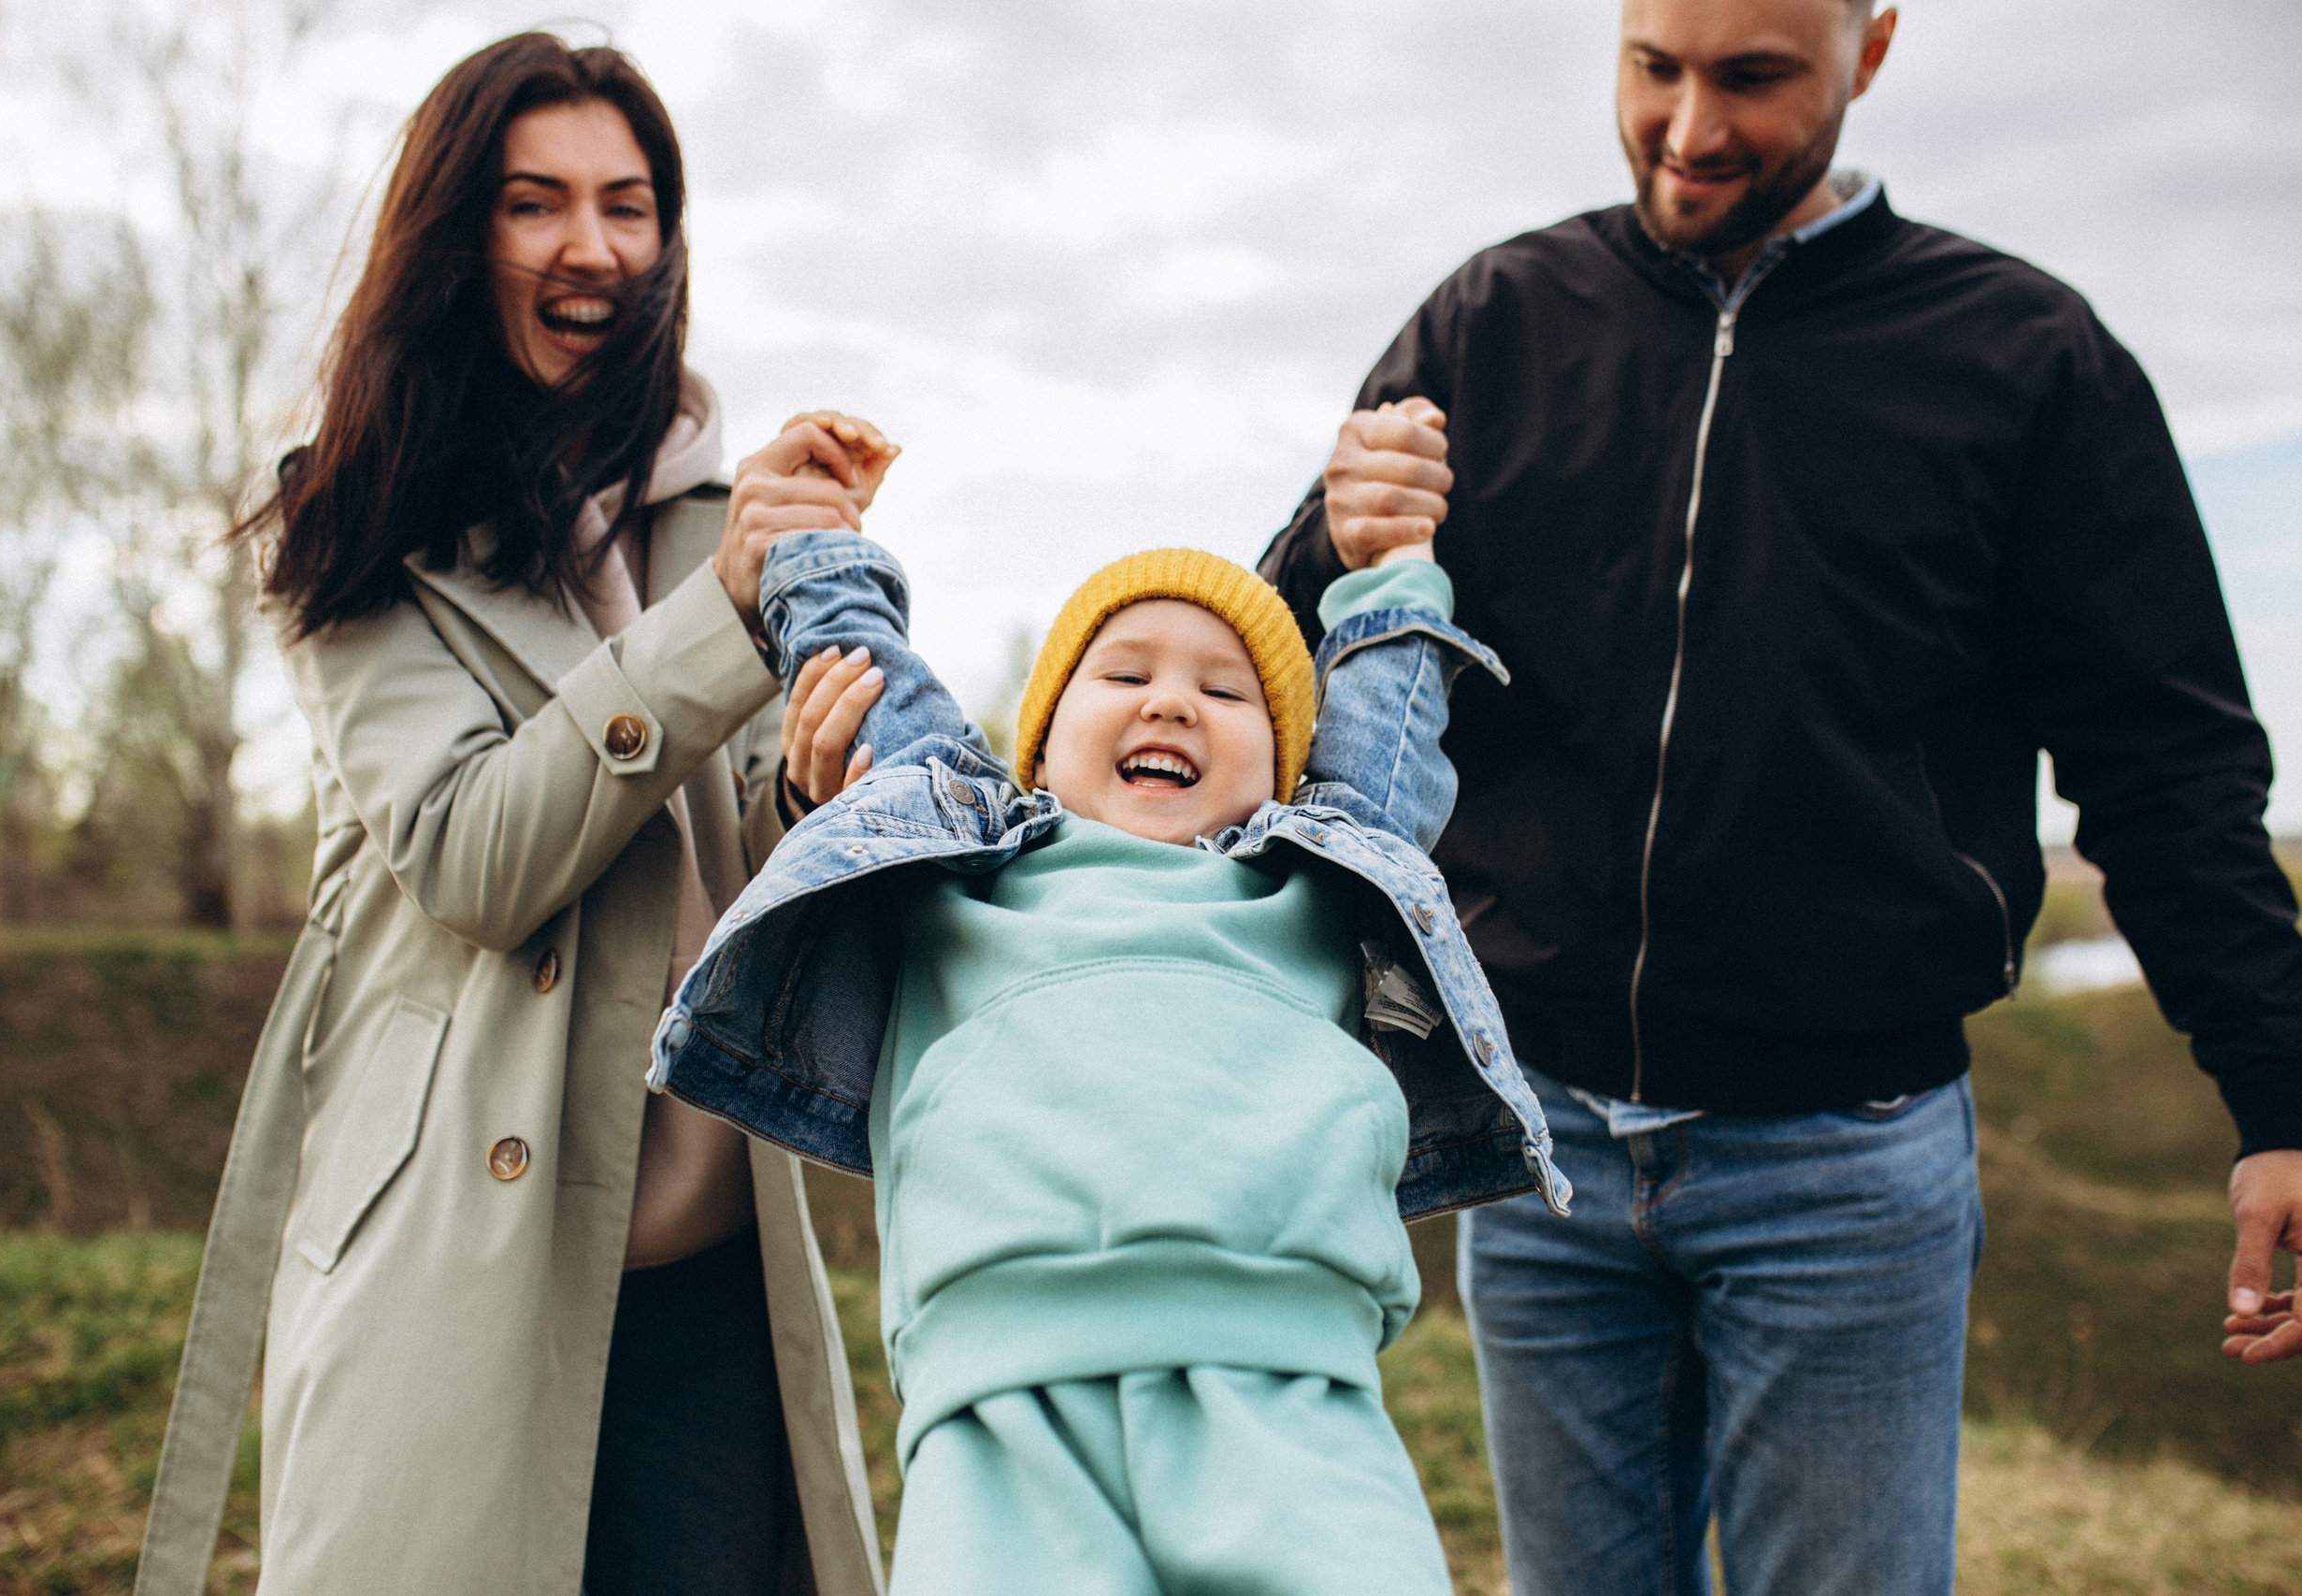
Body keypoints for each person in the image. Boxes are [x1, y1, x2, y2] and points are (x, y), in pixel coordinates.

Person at [1258, 1, 2302, 1592]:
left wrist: (2287, 1110)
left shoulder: (2026, 359)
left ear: (1874, 46)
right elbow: (1275, 679)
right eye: (1655, 69)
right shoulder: (1494, 320)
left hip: (1845, 1164)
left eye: (1755, 76)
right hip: (1542, 1145)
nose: (1692, 128)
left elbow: (2165, 767)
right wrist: (1325, 548)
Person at [136, 35, 895, 1596]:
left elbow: (762, 882)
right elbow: (478, 858)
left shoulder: (720, 521)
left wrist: (831, 776)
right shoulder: (357, 520)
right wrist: (719, 627)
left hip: (715, 1276)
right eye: (535, 203)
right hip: (452, 1279)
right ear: (455, 235)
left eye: (629, 206)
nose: (592, 247)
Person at [646, 512, 1571, 1594]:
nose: (1171, 700)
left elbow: (1391, 724)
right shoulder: (964, 860)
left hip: (1291, 1392)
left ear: (1286, 774)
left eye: (1226, 694)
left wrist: (1394, 577)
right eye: (1122, 672)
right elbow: (874, 673)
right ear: (1035, 750)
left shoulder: (1319, 875)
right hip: (1000, 1407)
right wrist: (816, 550)